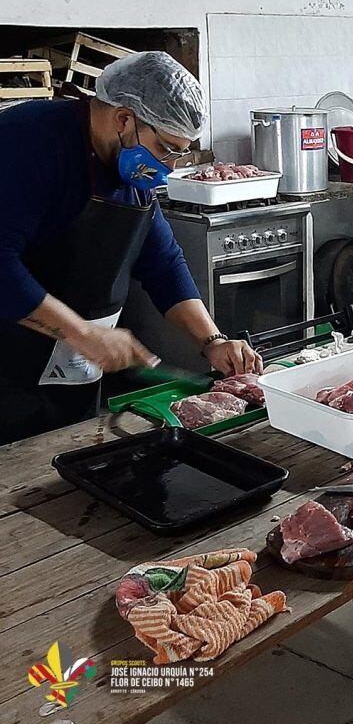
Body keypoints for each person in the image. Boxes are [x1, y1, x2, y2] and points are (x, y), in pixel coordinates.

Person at [0, 51, 260, 445]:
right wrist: (82, 333)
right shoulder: (27, 141)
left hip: (73, 372)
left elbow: (162, 263)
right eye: (167, 149)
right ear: (124, 119)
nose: (171, 166)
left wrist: (212, 341)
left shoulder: (131, 172)